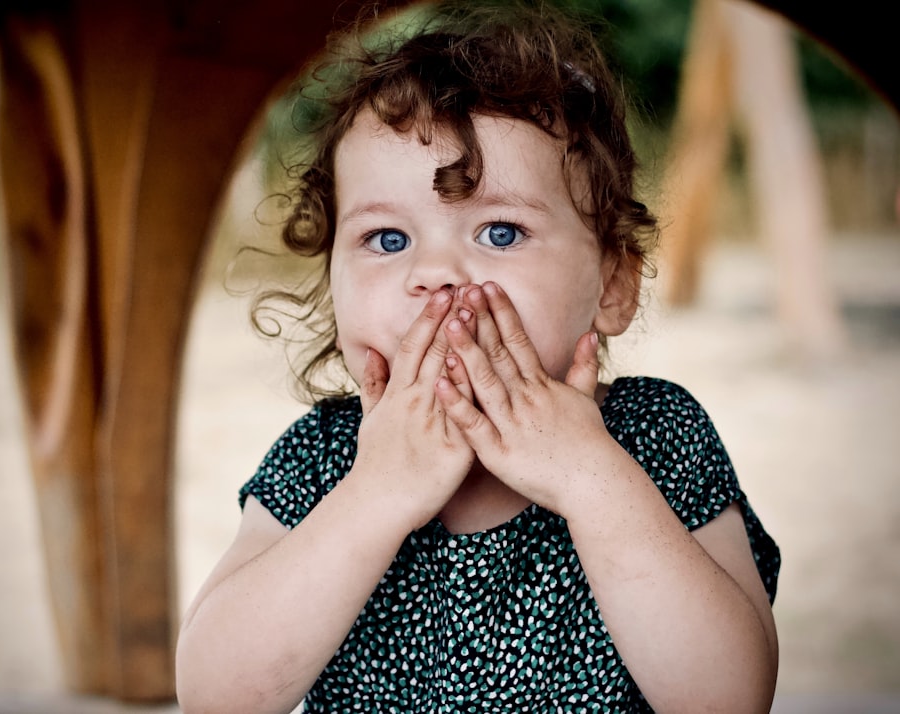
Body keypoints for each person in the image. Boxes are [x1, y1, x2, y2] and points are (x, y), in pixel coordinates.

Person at [175, 1, 781, 711]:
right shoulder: (328, 458)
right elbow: (216, 695)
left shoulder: (653, 436)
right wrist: (377, 494)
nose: (435, 274)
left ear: (613, 283)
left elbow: (730, 698)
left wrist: (588, 475)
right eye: (389, 240)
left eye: (499, 232)